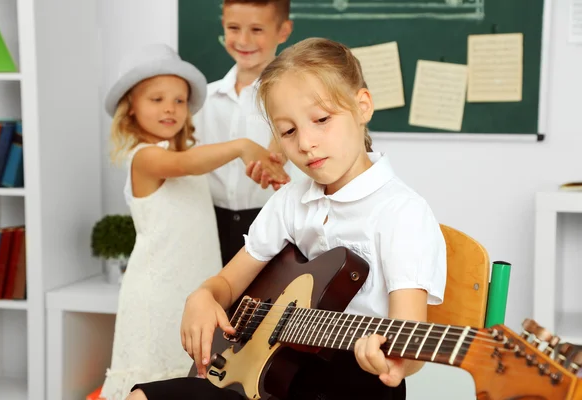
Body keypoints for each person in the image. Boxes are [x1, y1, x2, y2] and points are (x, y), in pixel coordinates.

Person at [126, 37, 447, 400]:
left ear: (362, 107)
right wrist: (202, 295)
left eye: (322, 120)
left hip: (353, 387)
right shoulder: (290, 200)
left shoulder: (402, 213)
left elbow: (410, 335)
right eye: (289, 131)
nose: (306, 143)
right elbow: (228, 284)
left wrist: (395, 361)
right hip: (271, 376)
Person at [99, 43, 287, 400]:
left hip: (195, 289)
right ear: (131, 109)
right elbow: (187, 165)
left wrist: (267, 161)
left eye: (179, 101)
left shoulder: (189, 156)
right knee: (151, 382)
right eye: (156, 99)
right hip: (157, 293)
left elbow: (203, 166)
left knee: (186, 384)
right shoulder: (145, 159)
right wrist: (242, 146)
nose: (170, 108)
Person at [193, 0, 295, 266]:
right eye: (234, 28)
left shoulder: (293, 94)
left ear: (283, 31)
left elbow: (284, 141)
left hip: (272, 224)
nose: (243, 39)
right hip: (208, 224)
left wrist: (272, 161)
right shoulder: (203, 99)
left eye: (257, 29)